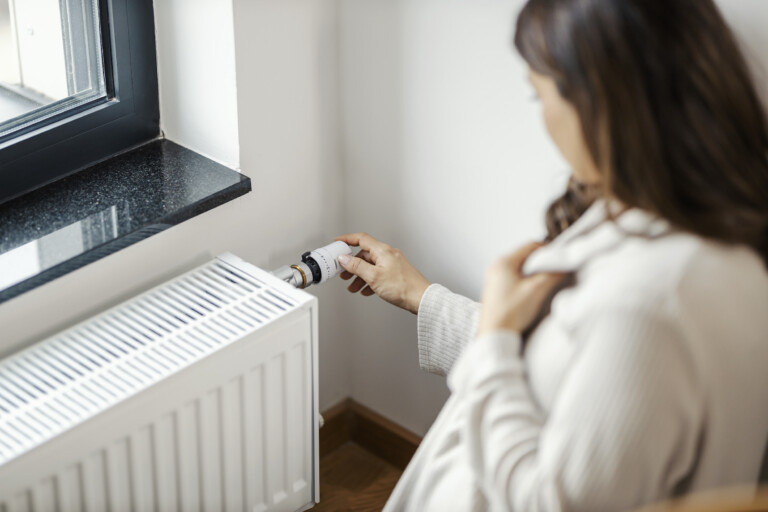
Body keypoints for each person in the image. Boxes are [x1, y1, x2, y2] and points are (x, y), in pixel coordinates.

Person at [334, 0, 768, 510]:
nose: (541, 119)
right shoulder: (702, 230)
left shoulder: (650, 302)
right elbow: (564, 374)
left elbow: (550, 500)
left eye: (536, 94)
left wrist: (495, 339)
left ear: (601, 103)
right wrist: (420, 294)